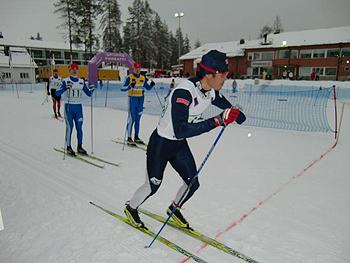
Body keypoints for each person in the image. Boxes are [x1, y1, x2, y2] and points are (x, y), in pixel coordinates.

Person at [124, 50, 246, 229]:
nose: (225, 79)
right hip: (161, 144)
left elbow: (230, 110)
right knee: (152, 186)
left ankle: (174, 209)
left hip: (178, 145)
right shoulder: (184, 92)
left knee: (192, 184)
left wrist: (236, 114)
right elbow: (181, 130)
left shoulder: (210, 90)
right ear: (209, 74)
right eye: (223, 75)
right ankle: (131, 208)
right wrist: (217, 121)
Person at [55, 63, 94, 156]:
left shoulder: (81, 81)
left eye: (76, 69)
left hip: (78, 108)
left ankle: (80, 146)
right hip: (69, 107)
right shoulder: (65, 80)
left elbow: (88, 94)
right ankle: (68, 146)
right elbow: (57, 93)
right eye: (73, 69)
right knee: (70, 128)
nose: (75, 70)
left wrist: (92, 89)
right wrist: (65, 88)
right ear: (69, 70)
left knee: (79, 128)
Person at [121, 62, 155, 146]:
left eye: (139, 69)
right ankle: (129, 137)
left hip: (140, 100)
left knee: (138, 120)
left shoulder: (142, 78)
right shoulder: (129, 77)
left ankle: (136, 136)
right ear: (133, 69)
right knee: (131, 119)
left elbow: (147, 88)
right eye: (136, 69)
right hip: (132, 100)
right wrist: (129, 86)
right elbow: (122, 88)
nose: (137, 70)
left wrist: (151, 85)